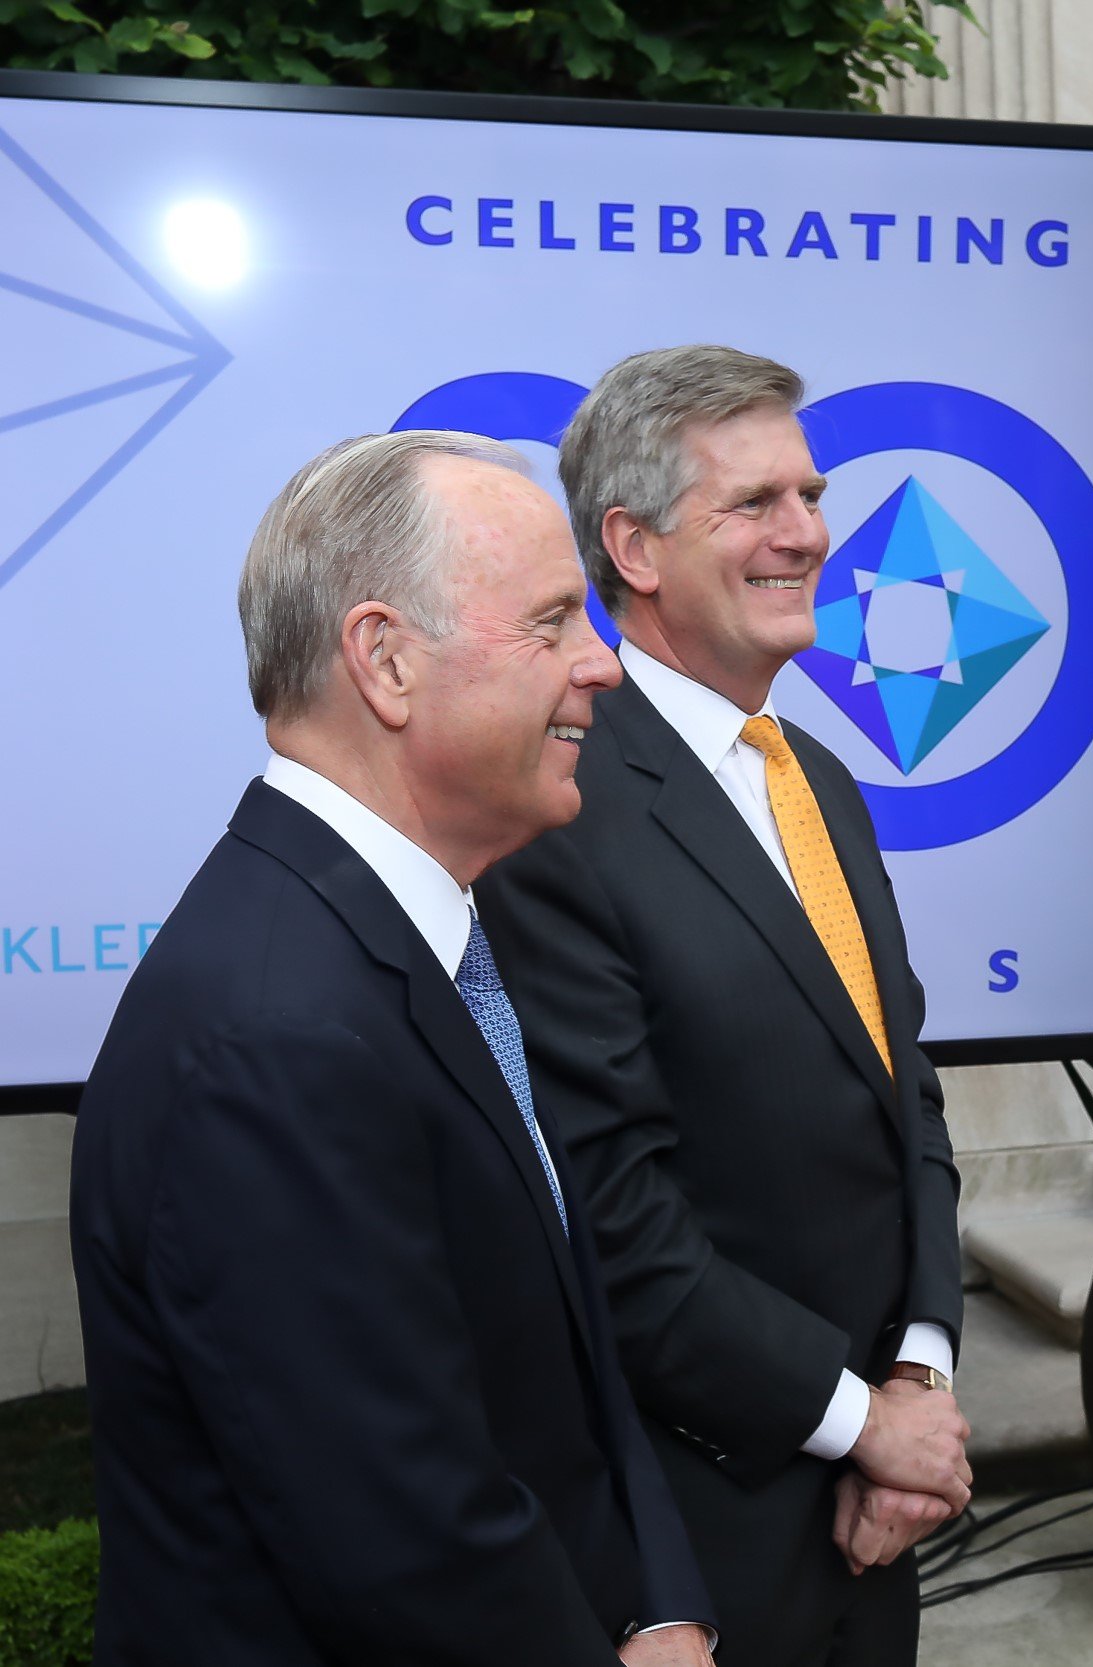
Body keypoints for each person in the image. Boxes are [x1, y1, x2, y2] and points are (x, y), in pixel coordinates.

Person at [69, 433, 719, 1665]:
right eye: (550, 623)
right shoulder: (278, 1030)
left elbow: (568, 1369)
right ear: (385, 660)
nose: (603, 666)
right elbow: (400, 1537)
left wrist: (660, 1600)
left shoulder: (417, 937)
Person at [477, 346, 970, 1667]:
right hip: (706, 1537)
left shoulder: (816, 773)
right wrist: (861, 1419)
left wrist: (917, 1373)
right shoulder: (556, 811)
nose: (808, 531)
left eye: (809, 493)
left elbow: (901, 1086)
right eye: (755, 503)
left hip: (880, 1520)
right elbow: (615, 1220)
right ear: (632, 546)